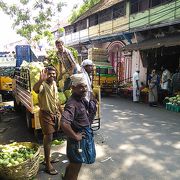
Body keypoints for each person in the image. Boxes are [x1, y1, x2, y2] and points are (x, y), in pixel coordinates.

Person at [61, 73, 97, 180]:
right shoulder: (72, 104)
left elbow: (88, 115)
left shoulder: (81, 100)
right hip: (77, 143)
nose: (84, 89)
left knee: (73, 164)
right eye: (81, 86)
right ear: (73, 88)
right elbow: (64, 123)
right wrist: (76, 136)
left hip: (80, 140)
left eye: (85, 86)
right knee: (75, 167)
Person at [33, 66, 62, 175]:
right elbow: (35, 90)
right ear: (45, 75)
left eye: (54, 73)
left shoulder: (54, 84)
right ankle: (47, 165)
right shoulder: (43, 85)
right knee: (48, 137)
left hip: (55, 114)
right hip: (45, 114)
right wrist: (41, 80)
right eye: (49, 74)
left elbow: (57, 100)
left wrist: (62, 113)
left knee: (52, 136)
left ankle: (47, 158)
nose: (52, 75)